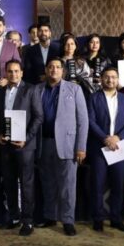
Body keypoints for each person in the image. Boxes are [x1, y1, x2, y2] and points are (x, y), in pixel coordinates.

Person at [32, 57, 88, 236]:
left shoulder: (75, 89)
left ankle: (68, 220)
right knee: (47, 183)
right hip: (43, 143)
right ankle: (50, 216)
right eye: (50, 67)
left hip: (67, 145)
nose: (54, 70)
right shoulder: (37, 89)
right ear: (46, 70)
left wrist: (81, 147)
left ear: (63, 71)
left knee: (67, 186)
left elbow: (83, 120)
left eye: (57, 67)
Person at [0, 59, 41, 236]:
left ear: (21, 73)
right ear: (5, 73)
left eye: (16, 71)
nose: (13, 74)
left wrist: (26, 139)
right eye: (10, 71)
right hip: (5, 145)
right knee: (9, 182)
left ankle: (27, 221)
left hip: (24, 146)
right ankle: (13, 217)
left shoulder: (31, 90)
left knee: (26, 183)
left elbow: (38, 117)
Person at [87, 67, 124, 233]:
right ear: (101, 79)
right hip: (99, 147)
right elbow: (90, 121)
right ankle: (98, 219)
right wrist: (105, 138)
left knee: (118, 185)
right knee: (97, 185)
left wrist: (117, 137)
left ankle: (116, 219)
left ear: (118, 80)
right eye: (107, 77)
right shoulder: (93, 98)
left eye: (114, 77)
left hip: (119, 147)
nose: (110, 80)